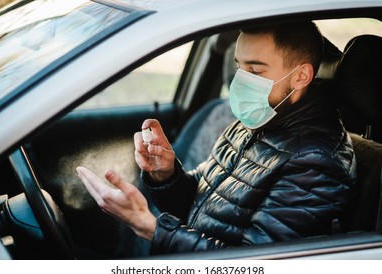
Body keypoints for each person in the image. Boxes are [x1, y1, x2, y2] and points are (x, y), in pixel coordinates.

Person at [76, 21, 356, 255]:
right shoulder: (256, 121)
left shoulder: (316, 160)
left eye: (255, 70)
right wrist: (167, 174)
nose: (241, 81)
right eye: (239, 67)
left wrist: (150, 227)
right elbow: (200, 203)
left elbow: (255, 264)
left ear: (301, 76)